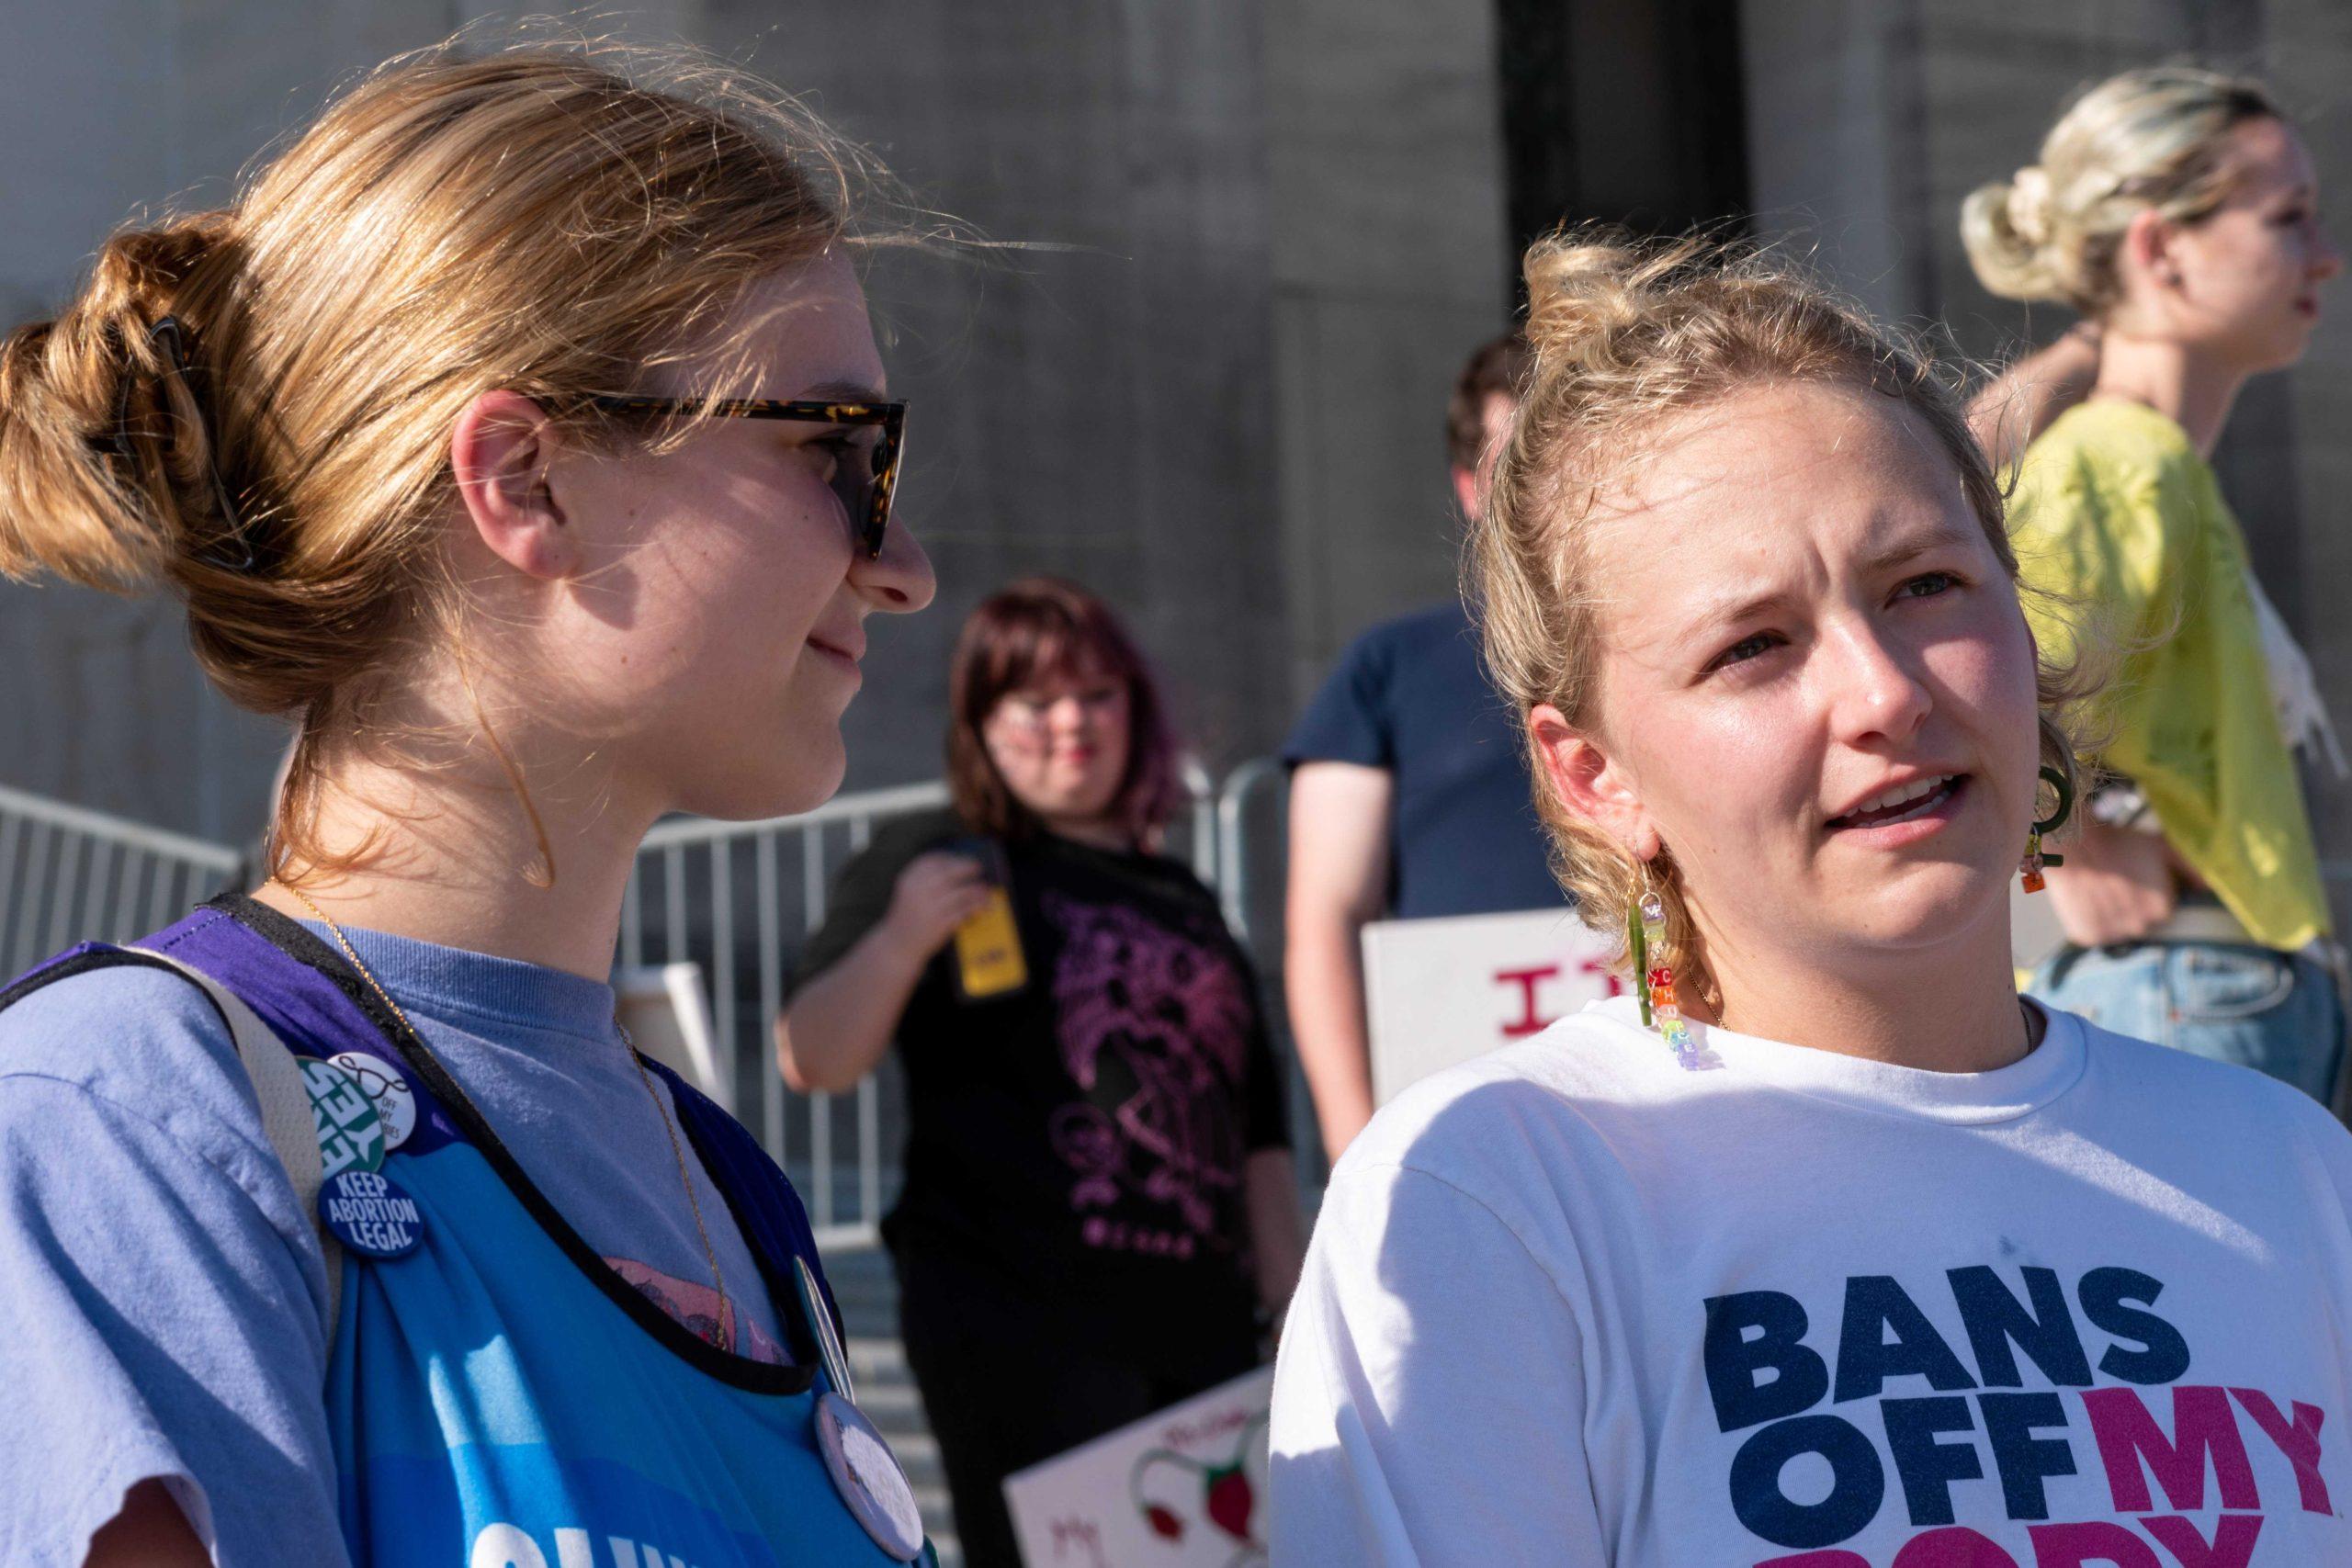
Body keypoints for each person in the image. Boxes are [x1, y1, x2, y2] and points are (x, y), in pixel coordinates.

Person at [1268, 230, 2352, 1563]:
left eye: (1927, 587)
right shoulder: (1495, 1200)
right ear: (1595, 773)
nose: (1888, 690)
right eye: (1754, 644)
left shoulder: (2287, 1167)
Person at [0, 39, 942, 1567]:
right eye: (837, 447)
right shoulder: (124, 1128)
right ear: (528, 480)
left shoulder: (725, 1186)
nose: (905, 566)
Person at [778, 576, 1306, 1568]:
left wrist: (1291, 1299)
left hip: (1198, 1331)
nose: (1074, 724)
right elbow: (811, 1056)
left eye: (1099, 694)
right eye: (1036, 701)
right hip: (1019, 1320)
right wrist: (900, 937)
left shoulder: (1184, 896)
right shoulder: (936, 853)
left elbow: (1257, 1129)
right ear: (981, 722)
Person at [1963, 67, 2348, 1100]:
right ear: (2158, 247)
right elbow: (1978, 686)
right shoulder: (2120, 456)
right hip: (2183, 989)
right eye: (2288, 217)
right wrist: (2070, 837)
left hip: (2210, 986)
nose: (2326, 255)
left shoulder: (2143, 457)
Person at [1283, 332, 1562, 1163]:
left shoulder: (1695, 647)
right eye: (1517, 464)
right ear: (1469, 489)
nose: (1545, 489)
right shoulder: (1388, 668)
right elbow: (1326, 916)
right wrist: (1357, 1155)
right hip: (1476, 1132)